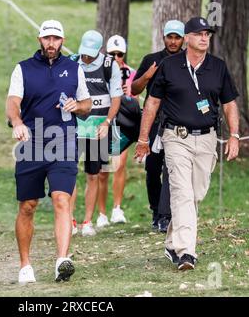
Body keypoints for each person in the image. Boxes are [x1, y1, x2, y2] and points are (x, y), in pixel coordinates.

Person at [134, 17, 240, 270]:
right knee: (181, 192)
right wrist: (142, 139)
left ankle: (171, 242)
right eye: (199, 33)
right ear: (188, 38)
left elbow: (229, 103)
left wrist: (234, 135)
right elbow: (152, 103)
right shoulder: (169, 66)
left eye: (208, 34)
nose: (205, 38)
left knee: (195, 195)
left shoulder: (218, 67)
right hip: (175, 137)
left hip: (207, 138)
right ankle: (186, 252)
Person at [6, 20, 91, 283]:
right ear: (39, 40)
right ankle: (25, 265)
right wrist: (17, 122)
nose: (51, 43)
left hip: (64, 140)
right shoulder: (23, 69)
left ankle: (62, 260)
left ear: (63, 41)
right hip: (32, 140)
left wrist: (78, 106)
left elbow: (87, 104)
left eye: (56, 39)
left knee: (61, 199)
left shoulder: (74, 68)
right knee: (28, 205)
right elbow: (12, 102)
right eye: (47, 39)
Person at [131, 20, 185, 233]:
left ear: (183, 39)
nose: (173, 41)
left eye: (177, 37)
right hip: (153, 123)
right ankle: (156, 211)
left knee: (171, 170)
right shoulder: (151, 59)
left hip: (178, 123)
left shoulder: (185, 61)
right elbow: (134, 90)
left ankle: (167, 215)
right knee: (153, 168)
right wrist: (147, 75)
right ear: (164, 37)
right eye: (169, 37)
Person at [70, 30, 123, 237]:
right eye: (84, 52)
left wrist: (108, 122)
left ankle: (87, 222)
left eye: (90, 53)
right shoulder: (73, 62)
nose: (86, 57)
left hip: (98, 128)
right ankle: (70, 220)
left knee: (93, 175)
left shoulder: (110, 66)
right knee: (70, 174)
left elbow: (116, 97)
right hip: (75, 127)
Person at [101, 34, 138, 226]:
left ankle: (117, 208)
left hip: (121, 123)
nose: (116, 57)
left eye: (120, 54)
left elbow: (136, 102)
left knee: (120, 164)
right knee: (101, 169)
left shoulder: (131, 73)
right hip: (101, 121)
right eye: (112, 54)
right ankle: (101, 213)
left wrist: (128, 94)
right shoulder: (98, 71)